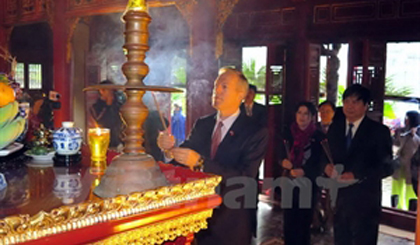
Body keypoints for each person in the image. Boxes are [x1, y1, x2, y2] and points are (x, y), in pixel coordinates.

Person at [157, 67, 268, 245]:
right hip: (200, 217)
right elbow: (183, 159)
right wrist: (168, 149)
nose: (216, 91)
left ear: (241, 94)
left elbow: (245, 177)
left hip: (232, 219)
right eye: (216, 86)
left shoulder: (255, 131)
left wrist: (201, 163)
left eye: (224, 87)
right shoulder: (203, 124)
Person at [324, 84, 393, 245]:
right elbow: (324, 154)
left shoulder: (378, 131)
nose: (349, 106)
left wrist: (357, 174)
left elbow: (386, 166)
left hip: (365, 200)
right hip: (339, 199)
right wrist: (325, 167)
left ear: (365, 106)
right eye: (347, 101)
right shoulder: (335, 128)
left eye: (355, 102)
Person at [280, 101, 324, 245]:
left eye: (306, 114)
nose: (302, 117)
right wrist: (282, 162)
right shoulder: (288, 132)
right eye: (299, 113)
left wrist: (305, 171)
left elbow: (320, 163)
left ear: (312, 117)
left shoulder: (318, 137)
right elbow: (278, 154)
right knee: (289, 221)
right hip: (289, 182)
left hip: (308, 184)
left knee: (303, 223)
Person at [392, 110, 420, 210]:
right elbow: (395, 144)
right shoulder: (400, 131)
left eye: (407, 119)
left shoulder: (418, 132)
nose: (405, 121)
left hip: (413, 167)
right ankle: (396, 209)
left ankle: (411, 212)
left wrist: (414, 135)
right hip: (399, 164)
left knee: (411, 190)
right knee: (396, 189)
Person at [89, 80, 125, 148]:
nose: (112, 93)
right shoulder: (96, 107)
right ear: (101, 91)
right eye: (109, 91)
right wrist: (108, 105)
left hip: (119, 141)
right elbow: (99, 121)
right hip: (103, 141)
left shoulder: (120, 106)